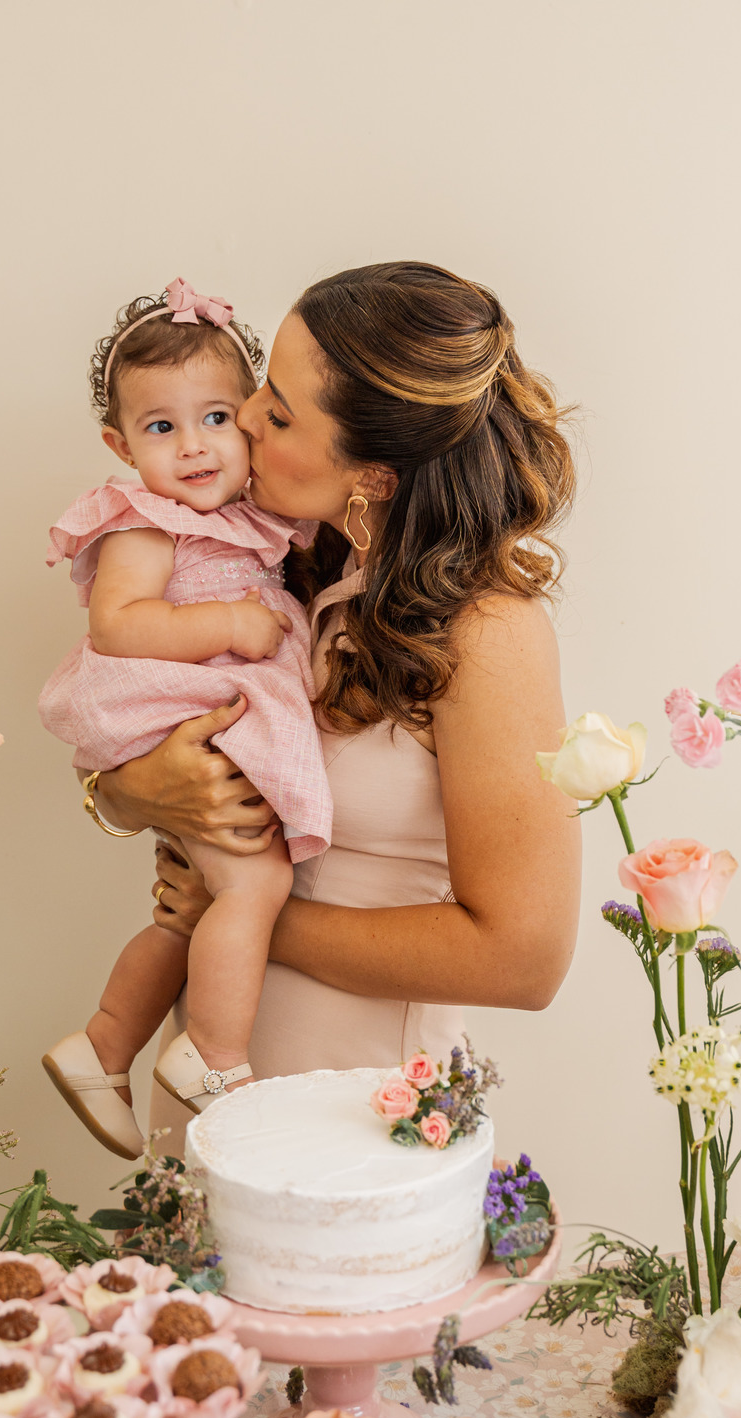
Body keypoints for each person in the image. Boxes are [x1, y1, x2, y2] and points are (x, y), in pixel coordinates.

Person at [79, 261, 582, 1150]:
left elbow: (524, 957)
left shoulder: (487, 633)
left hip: (355, 1104)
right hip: (209, 1077)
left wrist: (243, 917)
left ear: (374, 478)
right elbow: (163, 735)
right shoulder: (287, 574)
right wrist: (126, 794)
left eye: (276, 413)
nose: (241, 421)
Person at [39, 280, 328, 1157]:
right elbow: (119, 624)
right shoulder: (143, 523)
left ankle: (102, 1045)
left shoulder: (258, 518)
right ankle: (216, 1053)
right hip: (167, 701)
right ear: (120, 445)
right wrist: (232, 624)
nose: (195, 447)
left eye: (214, 419)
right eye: (162, 428)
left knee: (187, 912)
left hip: (206, 708)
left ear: (249, 419)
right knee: (254, 886)